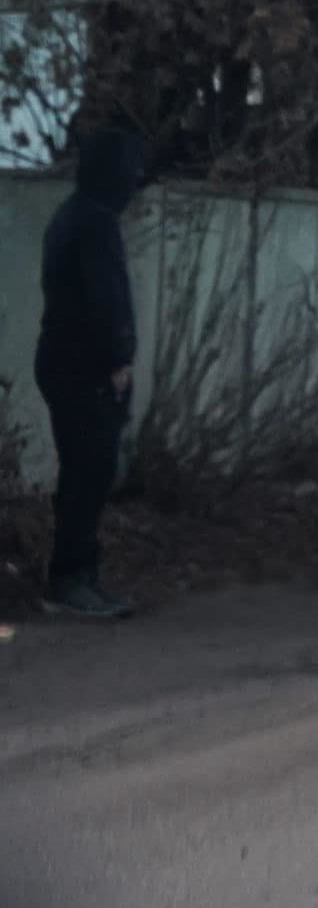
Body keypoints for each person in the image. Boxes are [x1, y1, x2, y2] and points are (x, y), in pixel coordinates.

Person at [33, 125, 146, 619]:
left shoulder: (69, 216)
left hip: (63, 362)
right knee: (89, 474)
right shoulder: (96, 223)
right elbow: (106, 301)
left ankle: (79, 576)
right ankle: (71, 580)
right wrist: (118, 359)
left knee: (83, 472)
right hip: (85, 369)